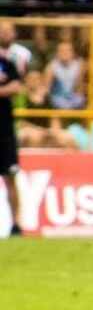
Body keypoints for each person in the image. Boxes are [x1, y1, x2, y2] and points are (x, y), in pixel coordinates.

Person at [0, 21, 23, 235]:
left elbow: (15, 87)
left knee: (11, 177)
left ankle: (16, 224)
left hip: (5, 131)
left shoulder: (9, 64)